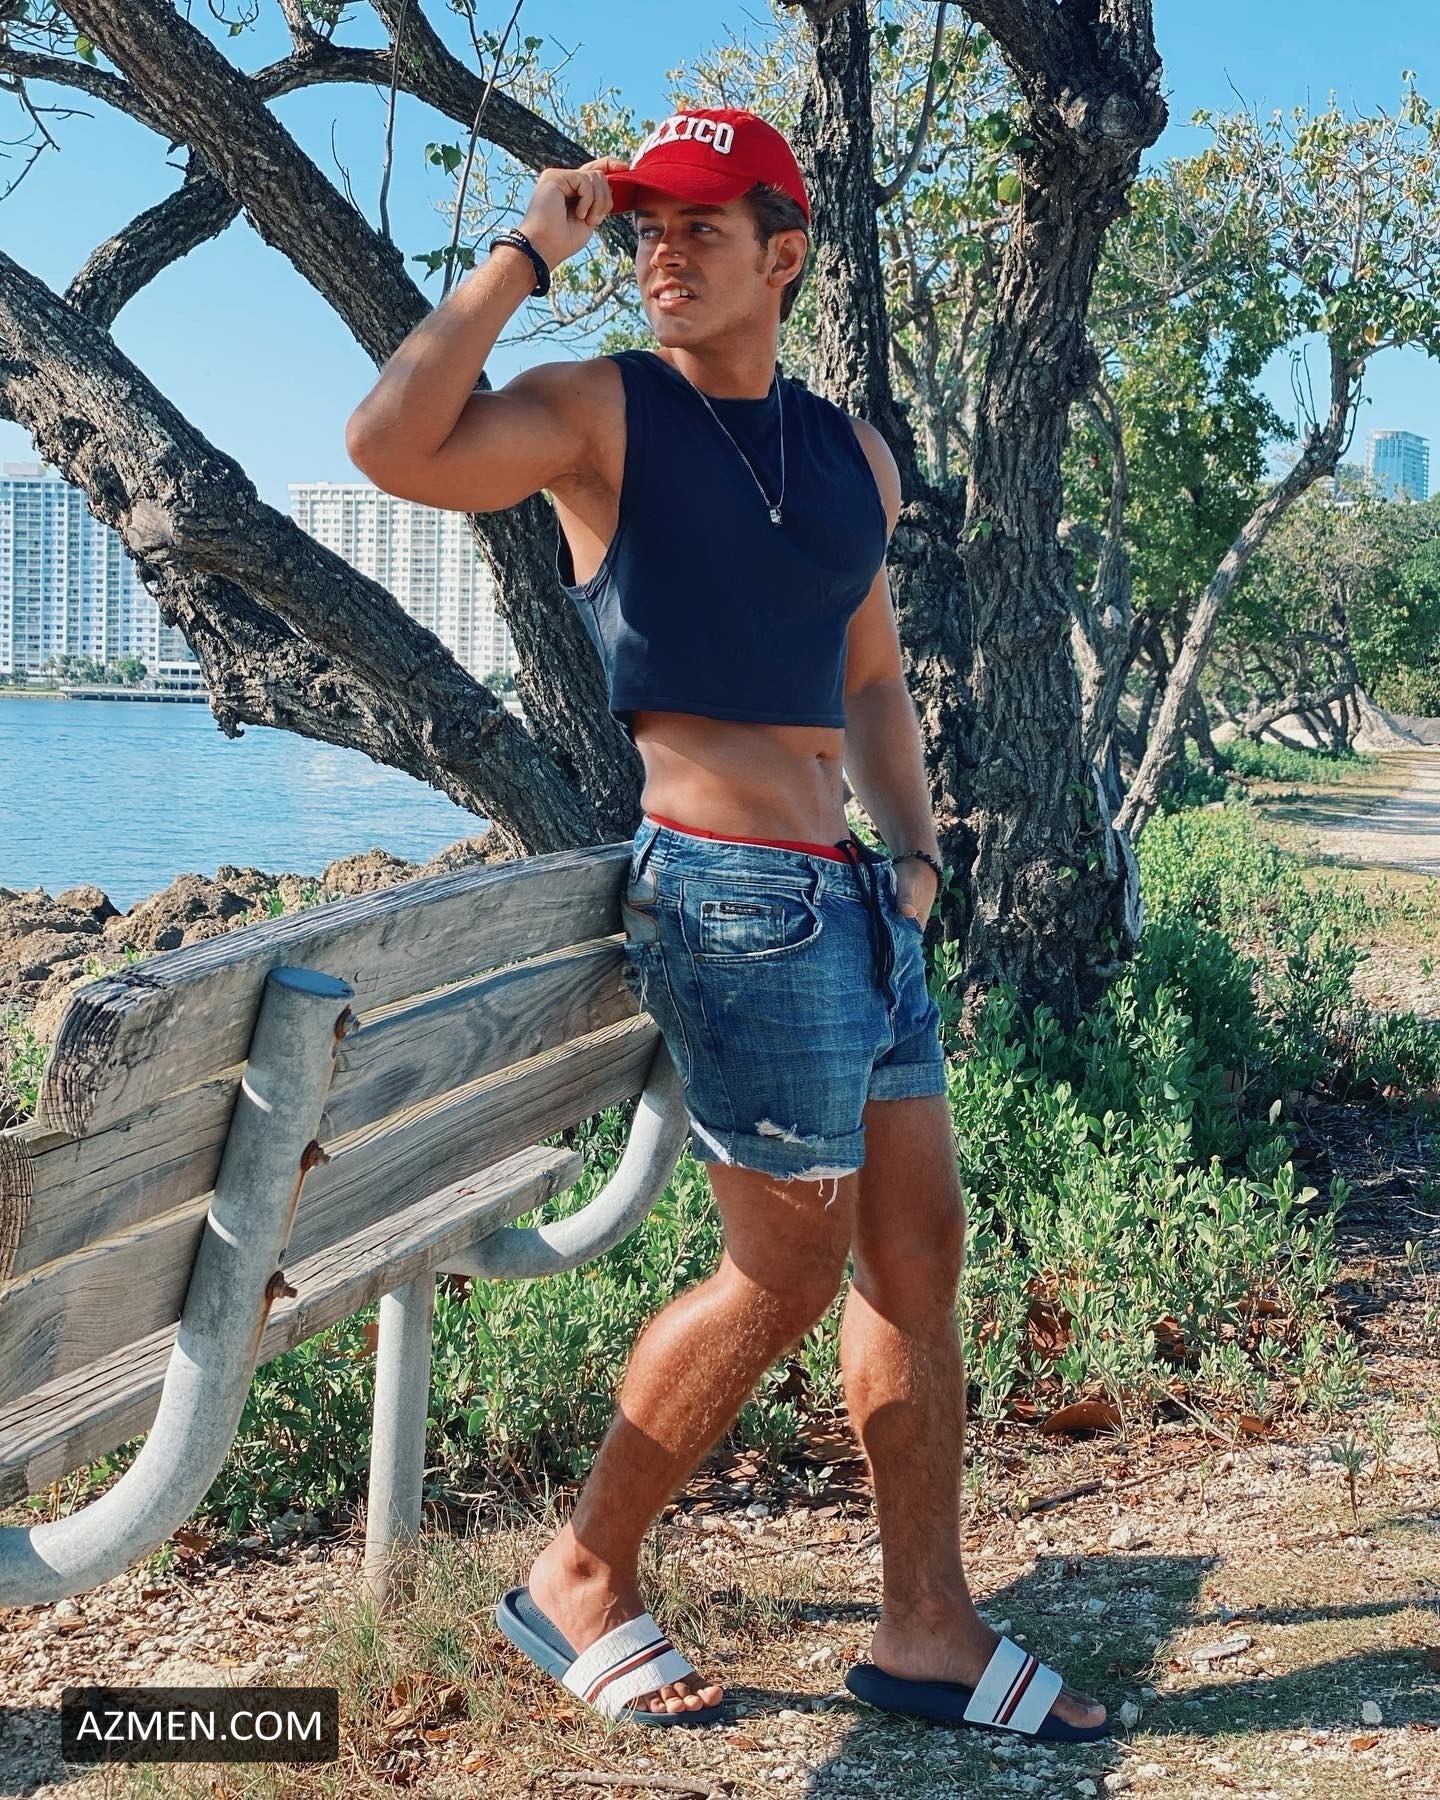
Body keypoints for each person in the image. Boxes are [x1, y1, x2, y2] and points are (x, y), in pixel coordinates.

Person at [345, 106, 1107, 1744]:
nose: (663, 254)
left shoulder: (851, 457)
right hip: (727, 892)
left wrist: (915, 856)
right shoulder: (601, 413)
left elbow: (871, 674)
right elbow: (392, 446)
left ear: (787, 252)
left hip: (851, 900)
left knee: (917, 1251)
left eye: (701, 225)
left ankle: (925, 1625)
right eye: (646, 229)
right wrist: (526, 251)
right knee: (785, 1269)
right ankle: (578, 1575)